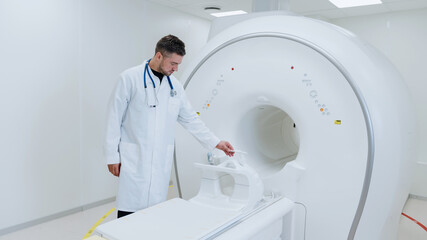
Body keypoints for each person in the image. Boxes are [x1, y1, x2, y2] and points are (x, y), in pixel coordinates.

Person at [104, 35, 234, 218]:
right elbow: (113, 119)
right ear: (159, 56)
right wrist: (112, 156)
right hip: (135, 157)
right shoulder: (129, 79)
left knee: (155, 214)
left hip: (159, 161)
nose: (176, 68)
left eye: (178, 64)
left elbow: (190, 119)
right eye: (173, 63)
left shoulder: (175, 86)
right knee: (128, 214)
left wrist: (216, 142)